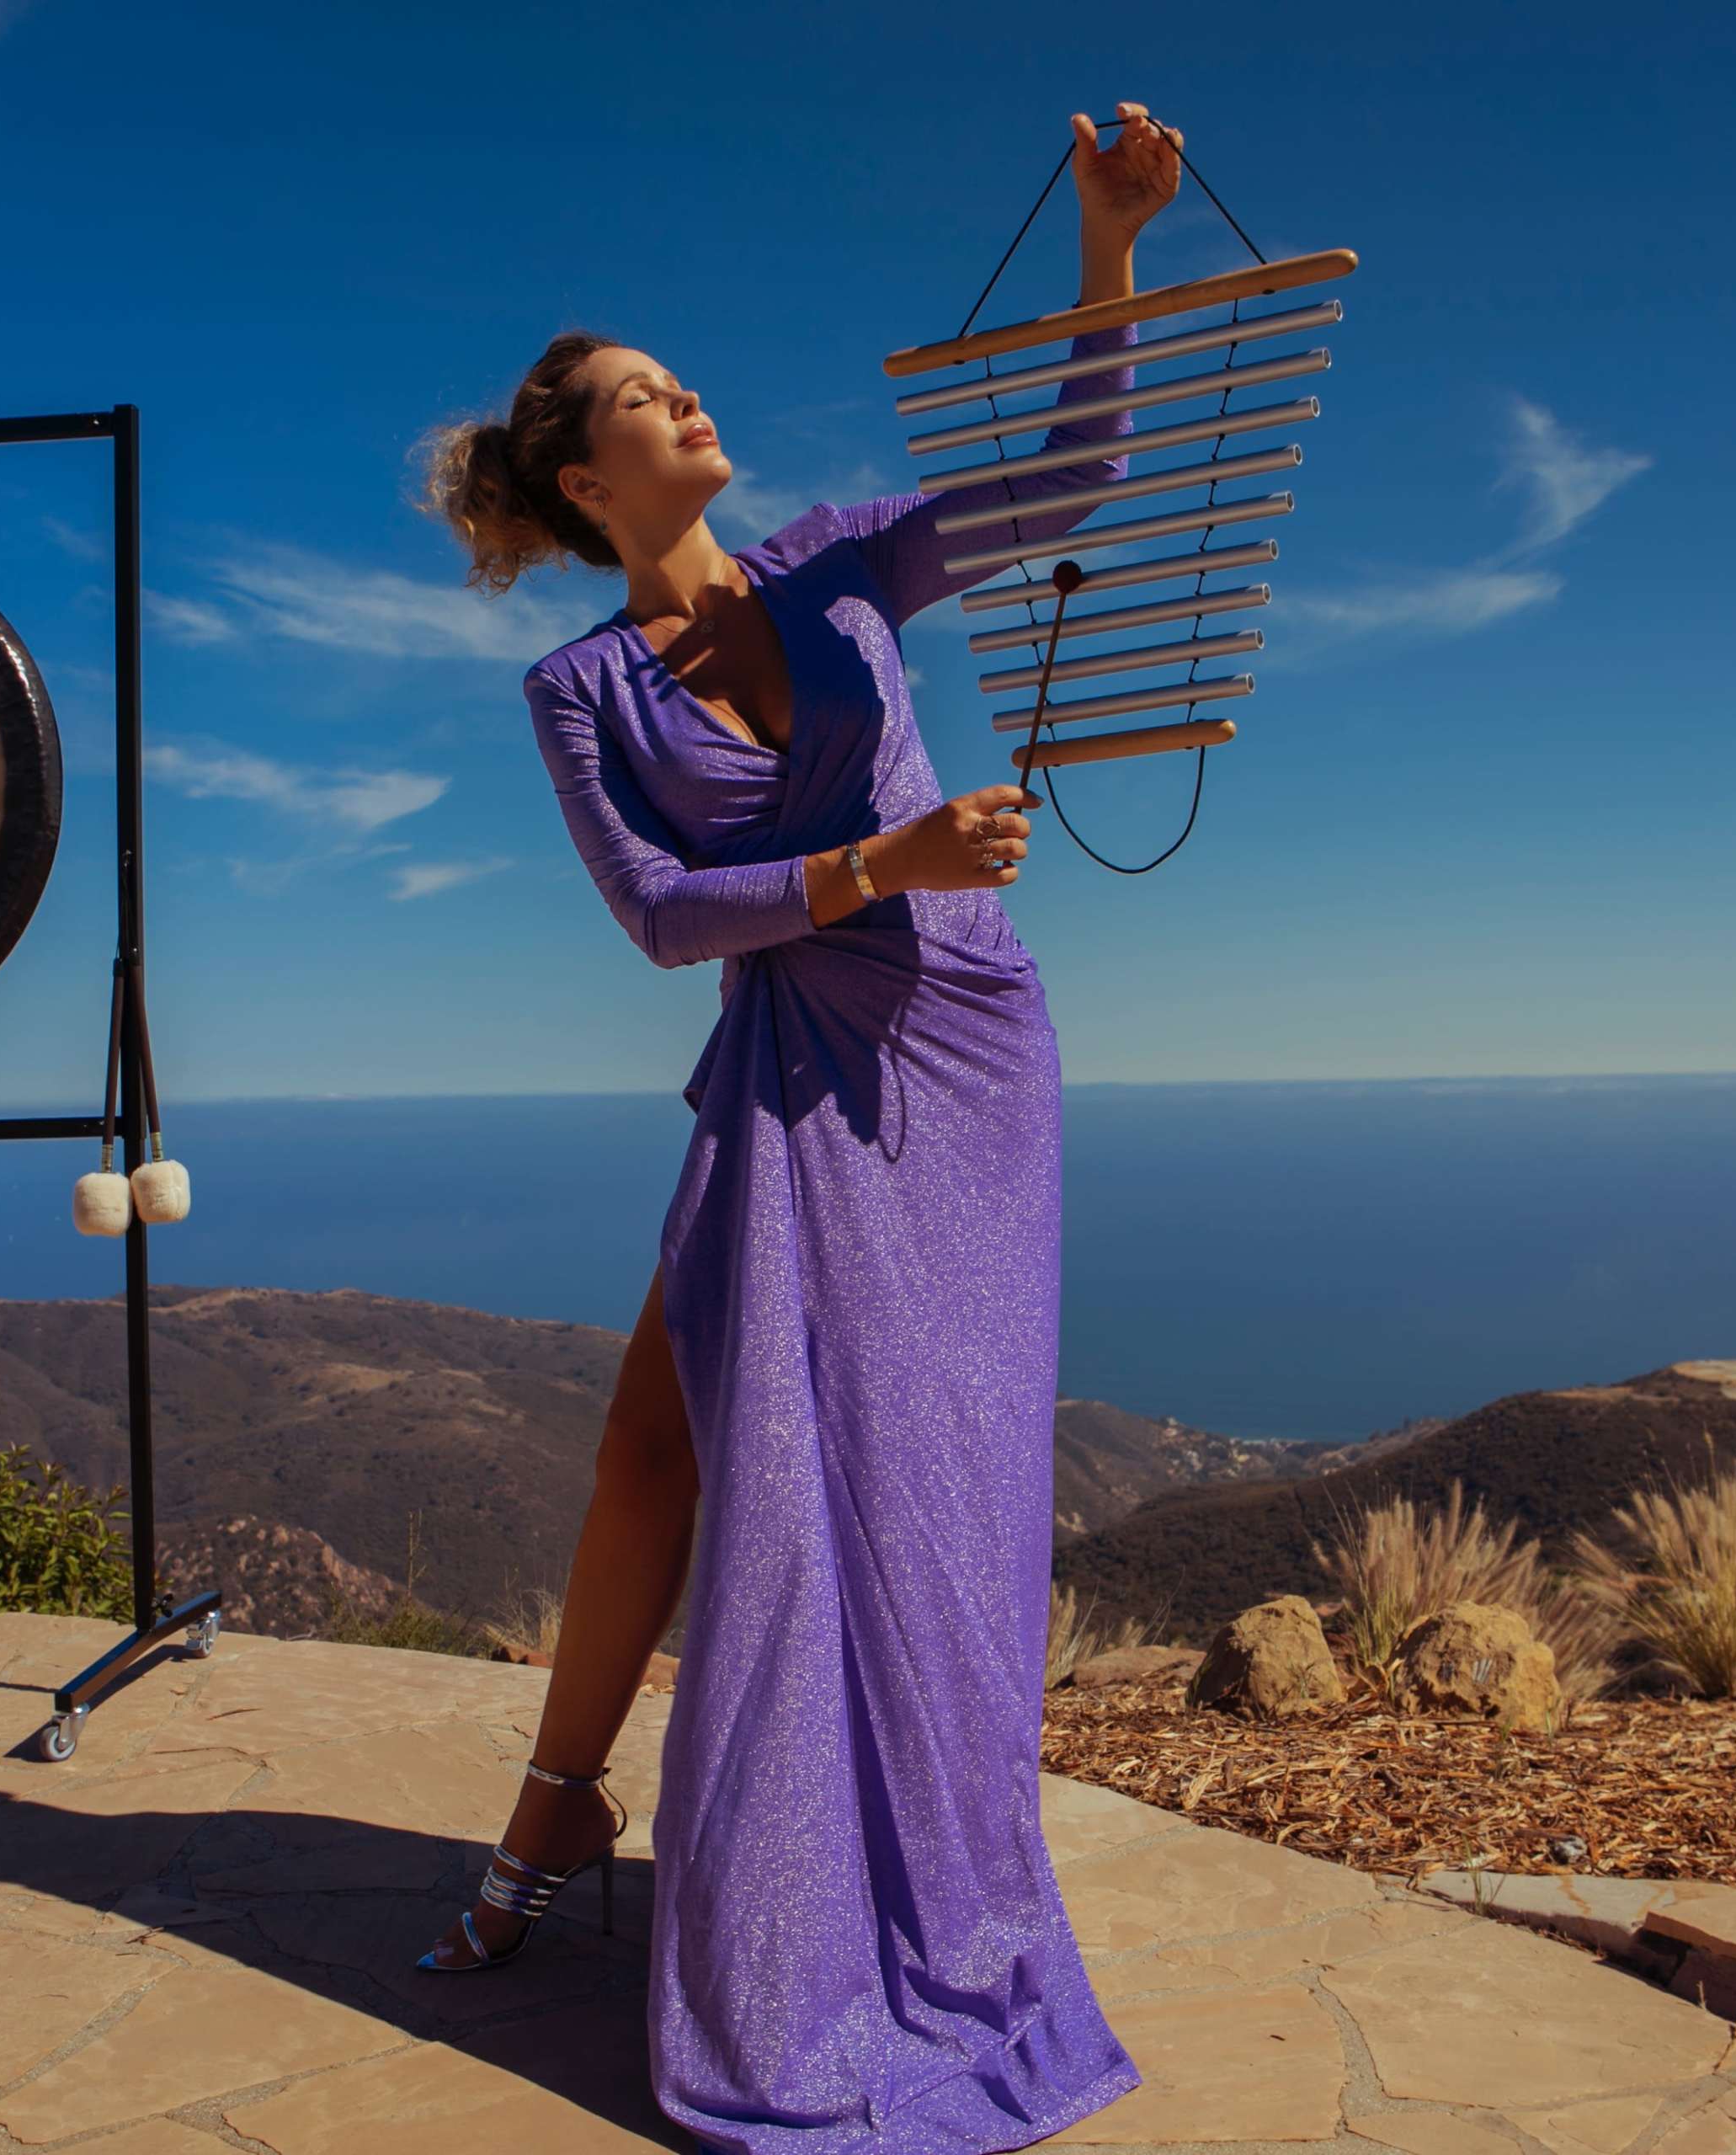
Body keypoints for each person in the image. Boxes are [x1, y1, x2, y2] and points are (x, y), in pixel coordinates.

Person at [404, 102, 1185, 2154]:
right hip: (790, 1056)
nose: (691, 396)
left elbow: (1076, 478)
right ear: (586, 476)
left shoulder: (846, 551)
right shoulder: (581, 688)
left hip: (960, 1051)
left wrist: (1106, 251)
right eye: (649, 395)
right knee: (679, 1441)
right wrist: (879, 855)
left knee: (918, 1476)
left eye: (684, 378)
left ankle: (781, 1873)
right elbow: (664, 916)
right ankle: (572, 1819)